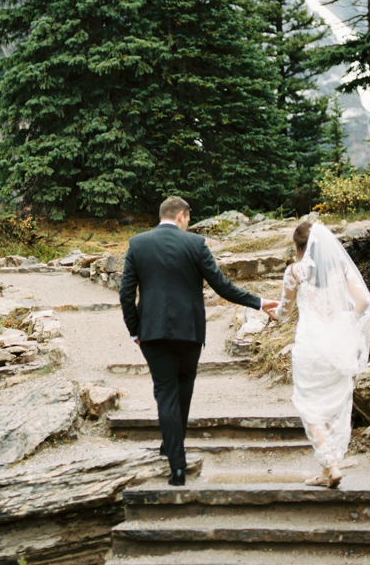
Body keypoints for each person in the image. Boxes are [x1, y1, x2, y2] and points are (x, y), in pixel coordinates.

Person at [119, 196, 279, 486]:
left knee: (165, 392)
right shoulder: (195, 245)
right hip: (189, 333)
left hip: (152, 333)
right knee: (183, 389)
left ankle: (174, 461)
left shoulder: (137, 244)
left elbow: (125, 295)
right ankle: (174, 452)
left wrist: (135, 331)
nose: (188, 223)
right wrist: (259, 302)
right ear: (181, 215)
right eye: (189, 218)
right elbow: (222, 286)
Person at [277, 219, 370, 489]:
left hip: (310, 344)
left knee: (309, 405)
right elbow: (364, 300)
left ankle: (330, 464)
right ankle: (328, 471)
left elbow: (284, 312)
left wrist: (272, 311)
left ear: (298, 246)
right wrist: (348, 322)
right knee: (334, 403)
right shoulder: (340, 267)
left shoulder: (294, 271)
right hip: (337, 342)